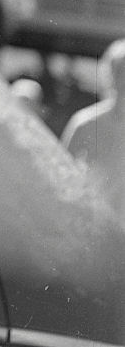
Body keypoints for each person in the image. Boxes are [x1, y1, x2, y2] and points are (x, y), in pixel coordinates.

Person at [61, 39, 125, 219]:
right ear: (112, 75)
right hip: (94, 224)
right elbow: (59, 174)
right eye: (122, 72)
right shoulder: (85, 123)